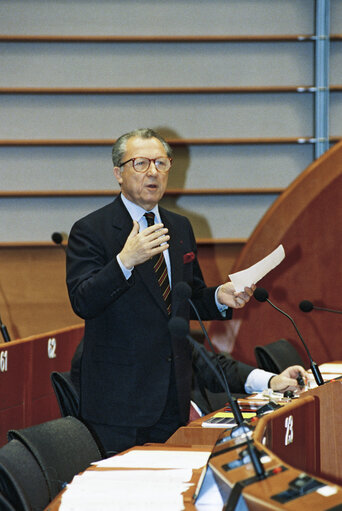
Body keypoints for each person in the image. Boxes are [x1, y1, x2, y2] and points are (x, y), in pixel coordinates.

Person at [66, 128, 307, 455]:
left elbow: (185, 296)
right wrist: (124, 261)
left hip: (172, 395)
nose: (152, 172)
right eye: (140, 163)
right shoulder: (91, 230)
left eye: (161, 163)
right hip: (118, 403)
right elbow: (83, 300)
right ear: (118, 174)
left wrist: (219, 297)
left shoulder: (179, 227)